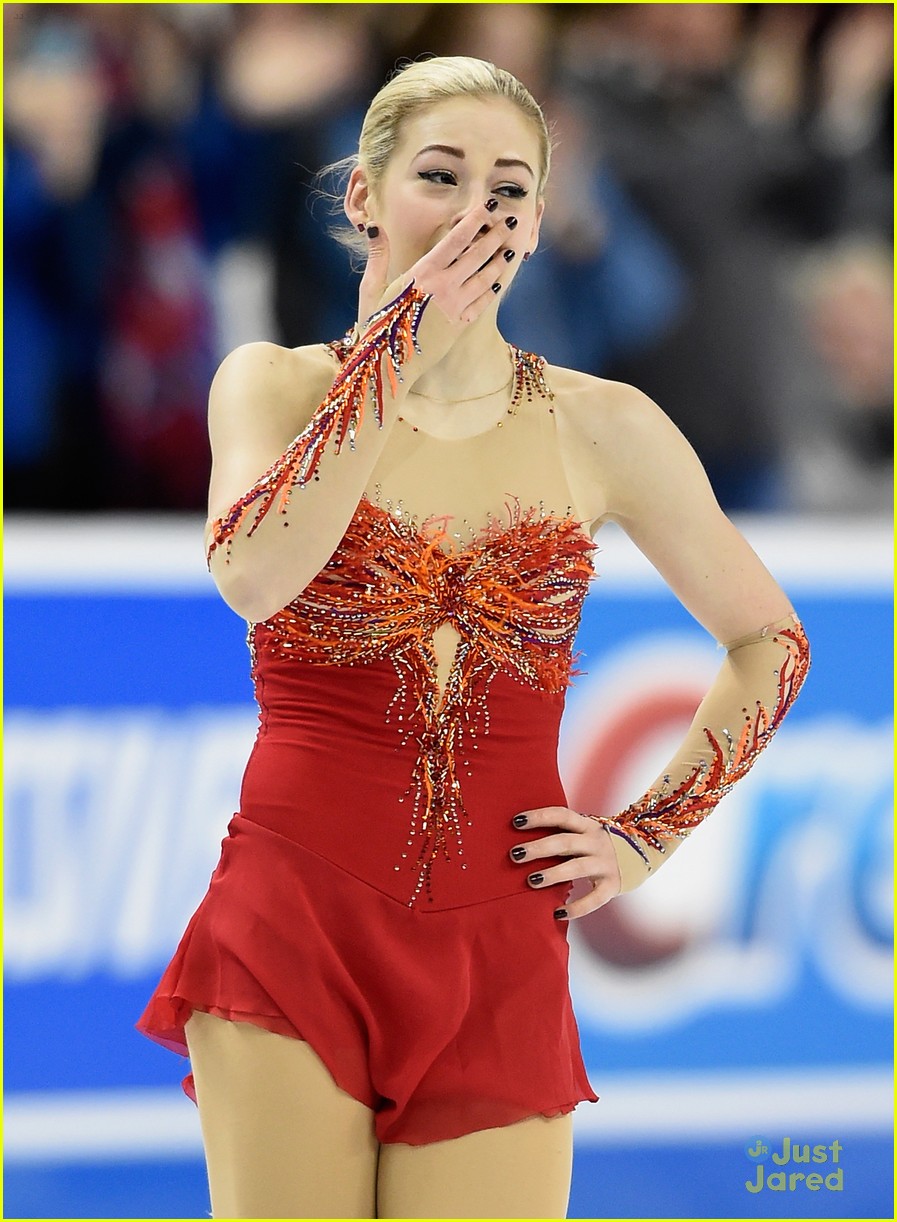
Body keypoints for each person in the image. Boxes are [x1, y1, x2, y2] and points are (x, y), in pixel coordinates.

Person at [137, 56, 810, 1220]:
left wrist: (644, 839)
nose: (474, 211)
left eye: (508, 189)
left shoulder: (605, 426)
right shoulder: (274, 387)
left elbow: (773, 643)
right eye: (439, 176)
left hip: (499, 943)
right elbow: (252, 572)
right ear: (364, 199)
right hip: (296, 920)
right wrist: (399, 347)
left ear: (540, 224)